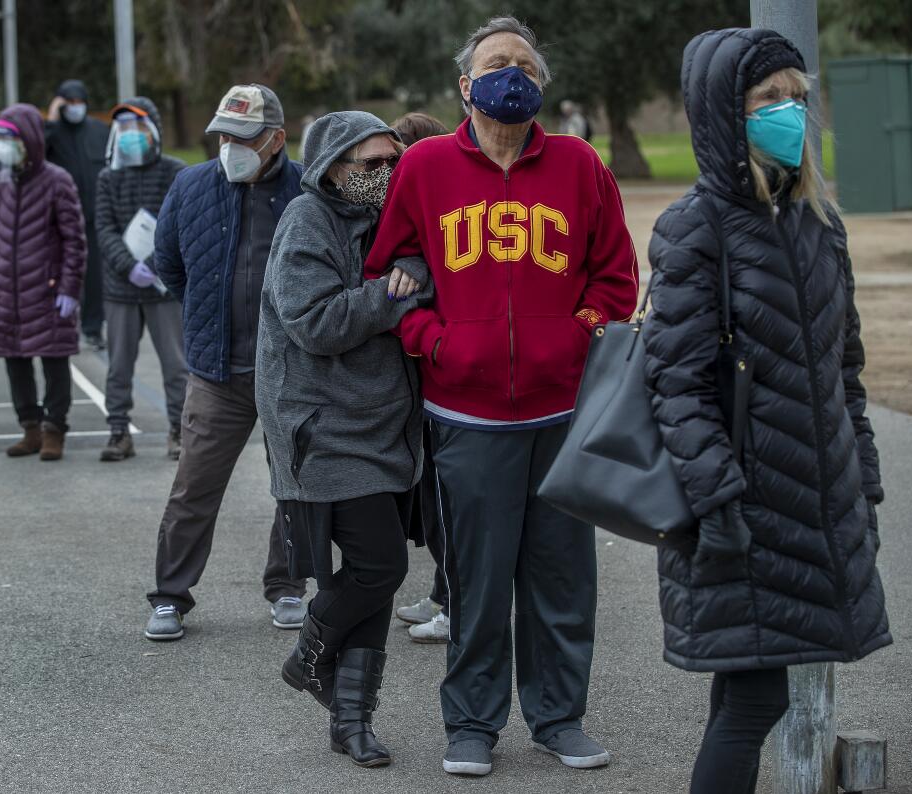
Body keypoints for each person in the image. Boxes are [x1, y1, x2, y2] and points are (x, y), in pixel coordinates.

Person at [364, 16, 639, 777]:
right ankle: (473, 725)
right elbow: (387, 274)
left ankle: (559, 718)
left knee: (561, 579)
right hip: (466, 415)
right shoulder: (423, 168)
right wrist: (436, 342)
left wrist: (578, 336)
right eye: (495, 62)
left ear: (541, 84)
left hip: (562, 415)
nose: (510, 73)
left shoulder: (581, 166)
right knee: (478, 583)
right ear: (466, 85)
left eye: (524, 63)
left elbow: (616, 277)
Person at [644, 29, 892, 794]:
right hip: (740, 511)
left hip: (814, 503)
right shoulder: (697, 228)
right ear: (725, 112)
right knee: (754, 701)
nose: (789, 112)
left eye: (797, 96)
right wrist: (717, 501)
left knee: (747, 696)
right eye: (767, 100)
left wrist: (865, 483)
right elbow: (675, 384)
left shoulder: (819, 222)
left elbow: (842, 371)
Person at [261, 111, 431, 768]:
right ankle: (308, 653)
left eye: (395, 159)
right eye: (373, 163)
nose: (388, 172)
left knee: (376, 578)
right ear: (333, 166)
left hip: (389, 429)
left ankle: (351, 719)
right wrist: (395, 295)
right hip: (325, 429)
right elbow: (316, 322)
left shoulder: (391, 219)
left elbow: (422, 273)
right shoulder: (307, 222)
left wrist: (408, 277)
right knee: (381, 566)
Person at [145, 84, 307, 641]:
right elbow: (169, 264)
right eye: (222, 136)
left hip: (290, 372)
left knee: (294, 487)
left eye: (242, 138)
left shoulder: (306, 190)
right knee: (193, 488)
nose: (228, 147)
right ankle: (169, 596)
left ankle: (286, 586)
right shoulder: (191, 185)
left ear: (276, 140)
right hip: (216, 372)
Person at [0, 104, 86, 462]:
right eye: (1, 139)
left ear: (29, 139)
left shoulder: (58, 181)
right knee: (15, 361)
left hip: (48, 291)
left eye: (11, 137)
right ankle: (30, 428)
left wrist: (70, 287)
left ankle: (55, 430)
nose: (5, 145)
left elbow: (75, 240)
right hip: (7, 292)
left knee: (54, 361)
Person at [387, 110, 452, 646]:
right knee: (431, 500)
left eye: (399, 153)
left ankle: (454, 603)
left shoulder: (437, 194)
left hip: (442, 379)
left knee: (444, 501)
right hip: (415, 377)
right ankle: (441, 591)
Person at [95, 99, 188, 462]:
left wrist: (153, 263)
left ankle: (179, 430)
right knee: (118, 364)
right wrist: (128, 265)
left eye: (137, 129)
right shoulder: (108, 177)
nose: (130, 137)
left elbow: (178, 225)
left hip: (163, 288)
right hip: (120, 287)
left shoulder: (174, 172)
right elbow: (104, 228)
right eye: (124, 130)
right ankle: (118, 432)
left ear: (153, 131)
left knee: (176, 364)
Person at [46, 79, 110, 351]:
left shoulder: (98, 130)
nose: (74, 108)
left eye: (78, 102)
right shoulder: (53, 132)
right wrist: (51, 118)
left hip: (94, 217)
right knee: (61, 274)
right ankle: (58, 326)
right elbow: (38, 149)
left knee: (94, 277)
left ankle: (92, 328)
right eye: (68, 103)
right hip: (60, 219)